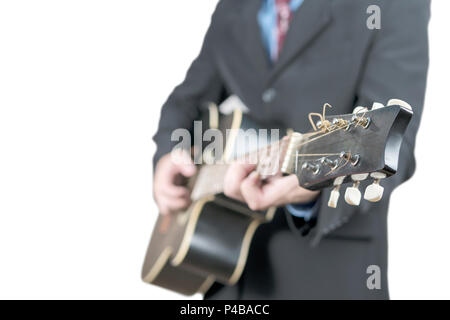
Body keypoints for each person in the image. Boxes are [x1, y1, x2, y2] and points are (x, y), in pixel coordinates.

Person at [152, 0, 429, 299]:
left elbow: (390, 142)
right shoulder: (233, 5)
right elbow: (186, 101)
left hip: (328, 274)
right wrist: (169, 152)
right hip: (226, 276)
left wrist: (311, 189)